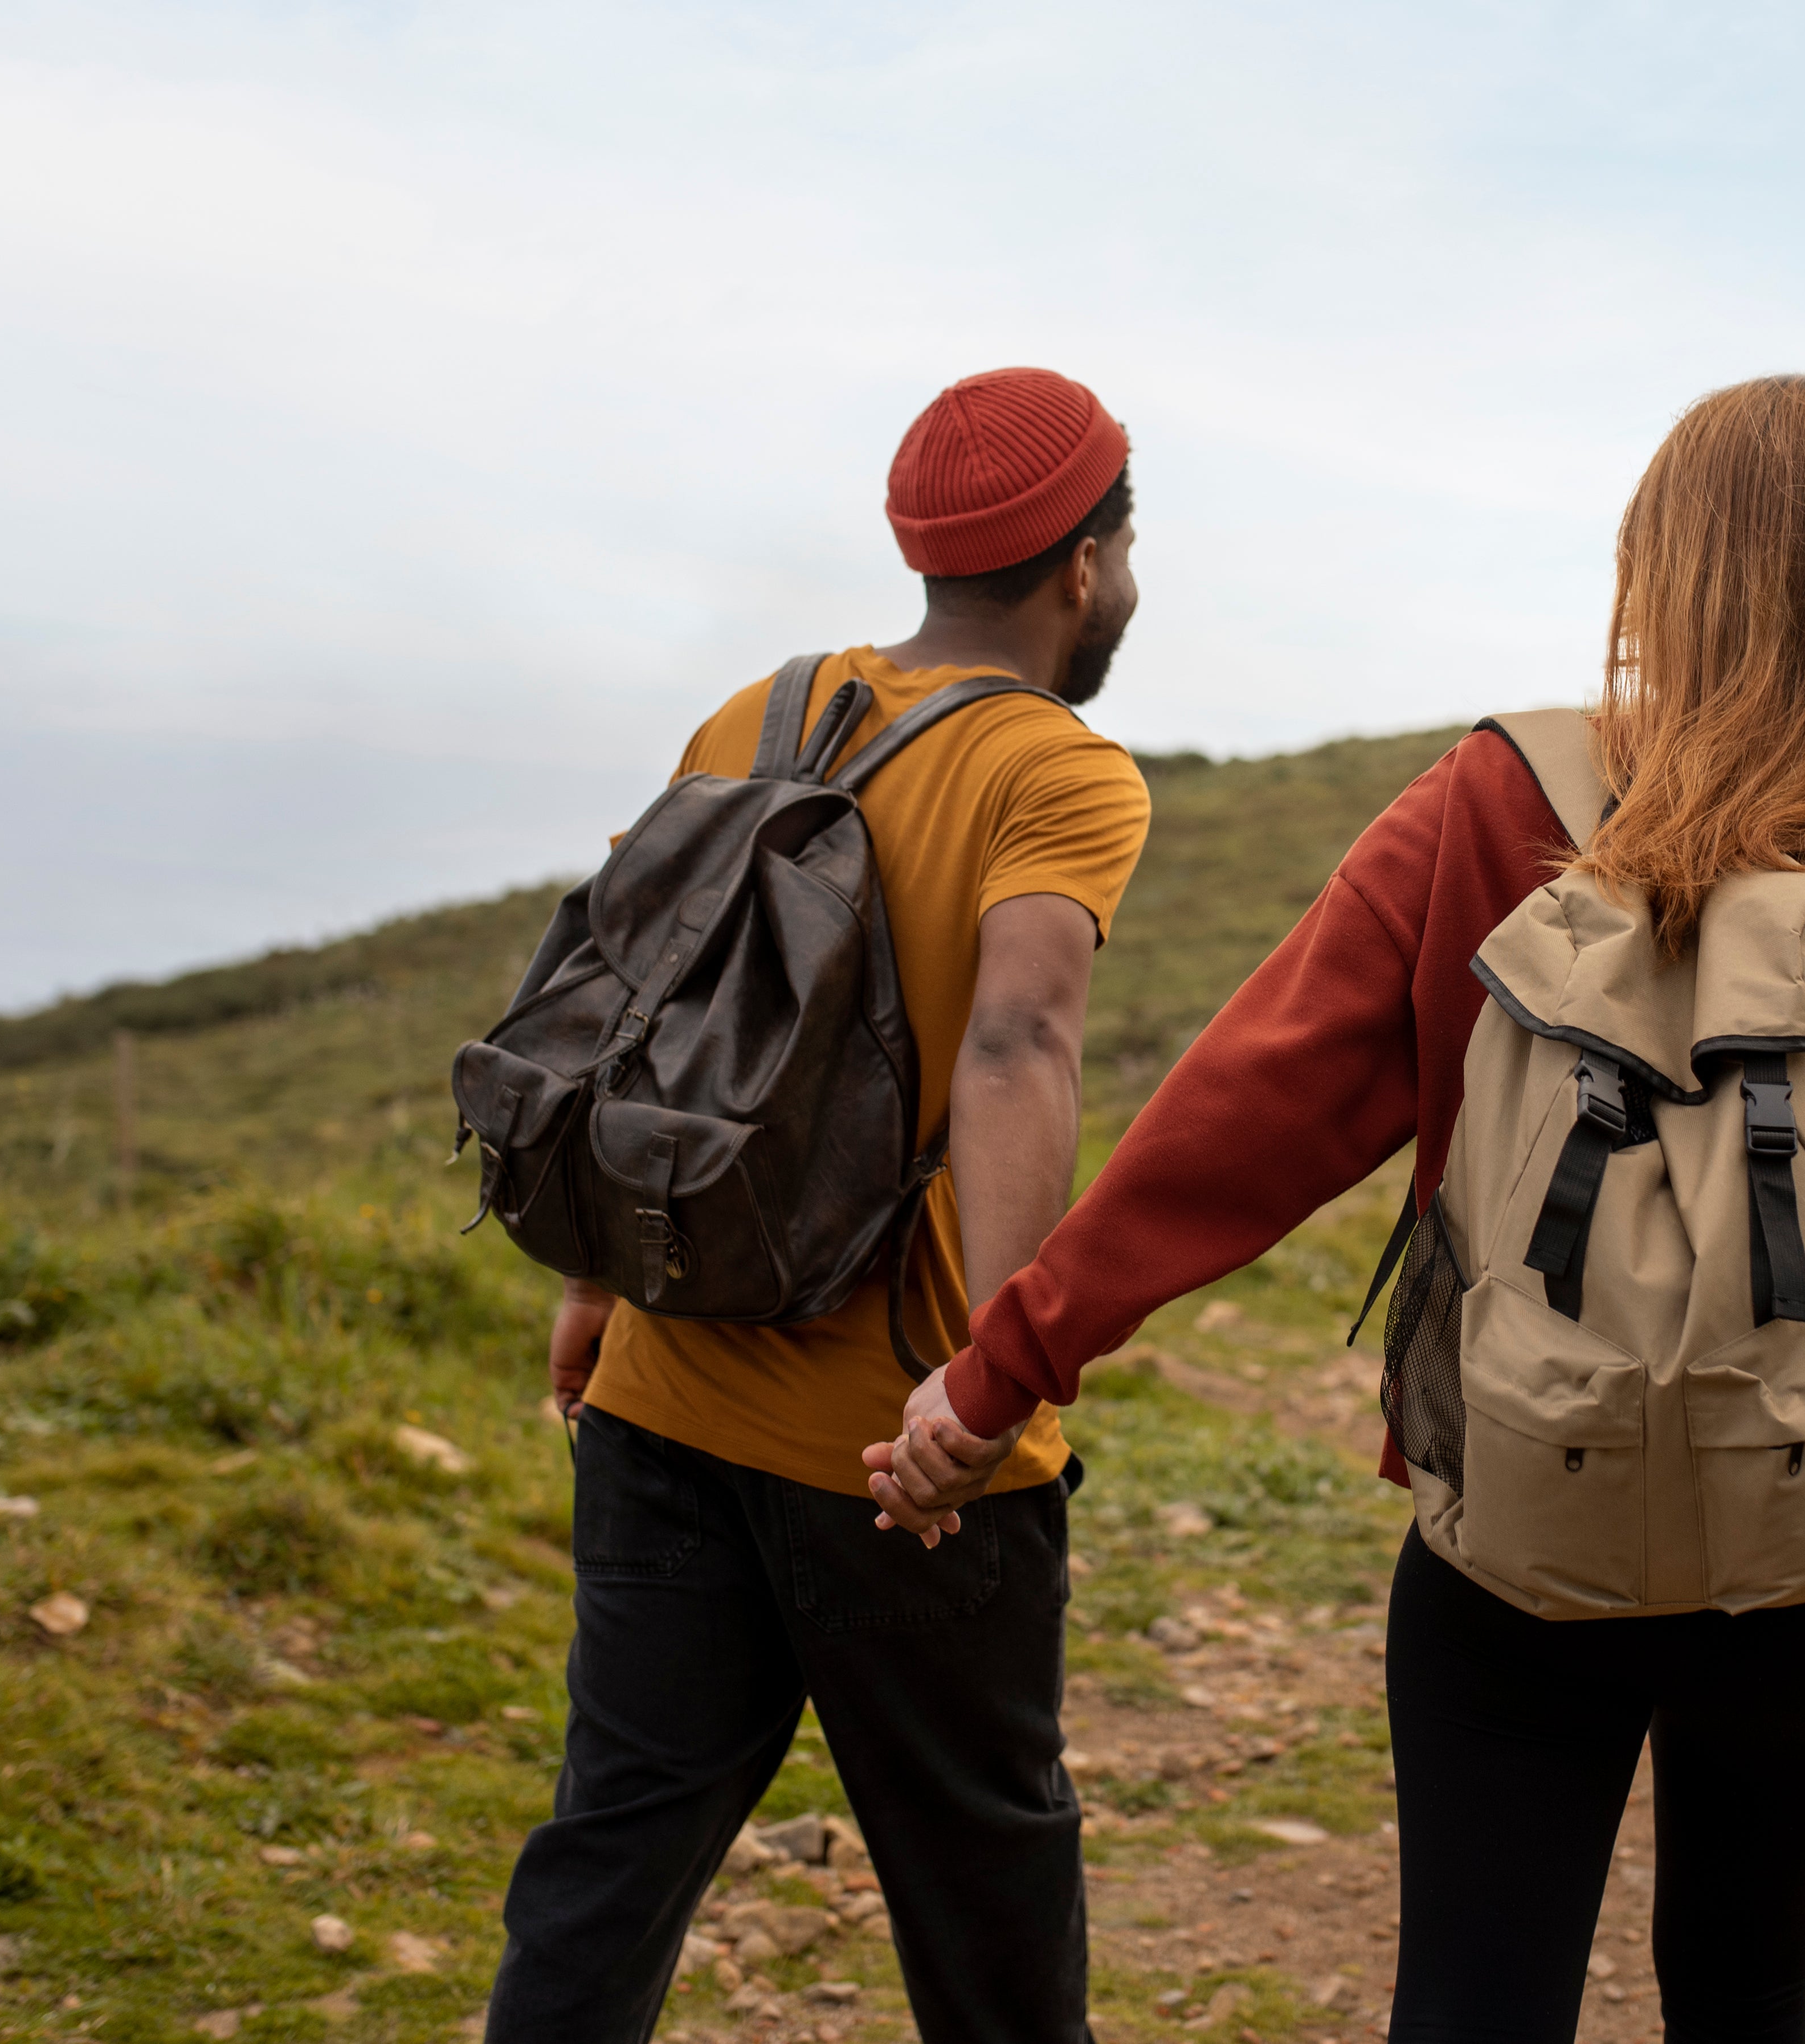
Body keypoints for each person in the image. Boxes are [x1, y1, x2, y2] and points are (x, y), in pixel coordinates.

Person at [867, 375, 1805, 2043]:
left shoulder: (1495, 800)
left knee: (1474, 1995)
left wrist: (1003, 1363)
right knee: (1740, 1994)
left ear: (1658, 558)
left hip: (1516, 1531)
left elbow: (1244, 1121)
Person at [488, 367, 1150, 2044]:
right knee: (990, 1905)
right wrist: (992, 1382)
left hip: (664, 1390)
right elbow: (1019, 1039)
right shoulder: (1059, 771)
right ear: (1083, 567)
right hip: (902, 1447)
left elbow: (642, 1008)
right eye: (1126, 545)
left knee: (612, 1851)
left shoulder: (754, 715)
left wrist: (593, 1278)